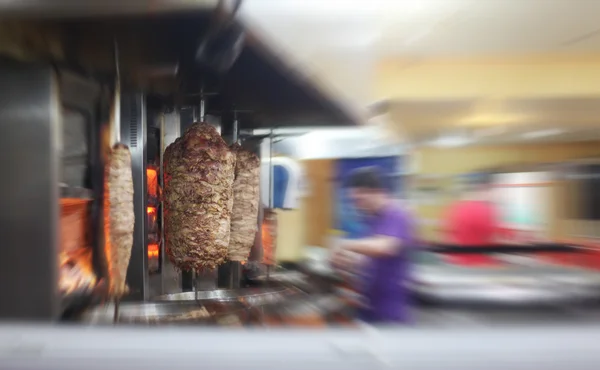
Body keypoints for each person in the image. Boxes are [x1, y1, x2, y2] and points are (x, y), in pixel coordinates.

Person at [331, 167, 416, 324]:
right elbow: (370, 259)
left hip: (389, 310)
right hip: (370, 305)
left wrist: (346, 245)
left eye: (359, 199)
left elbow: (386, 246)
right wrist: (348, 263)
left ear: (377, 192)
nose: (357, 205)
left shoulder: (397, 214)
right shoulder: (372, 219)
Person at [442, 172, 507, 265]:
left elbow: (449, 237)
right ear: (485, 188)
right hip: (479, 263)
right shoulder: (487, 210)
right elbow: (494, 239)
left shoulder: (455, 208)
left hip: (456, 262)